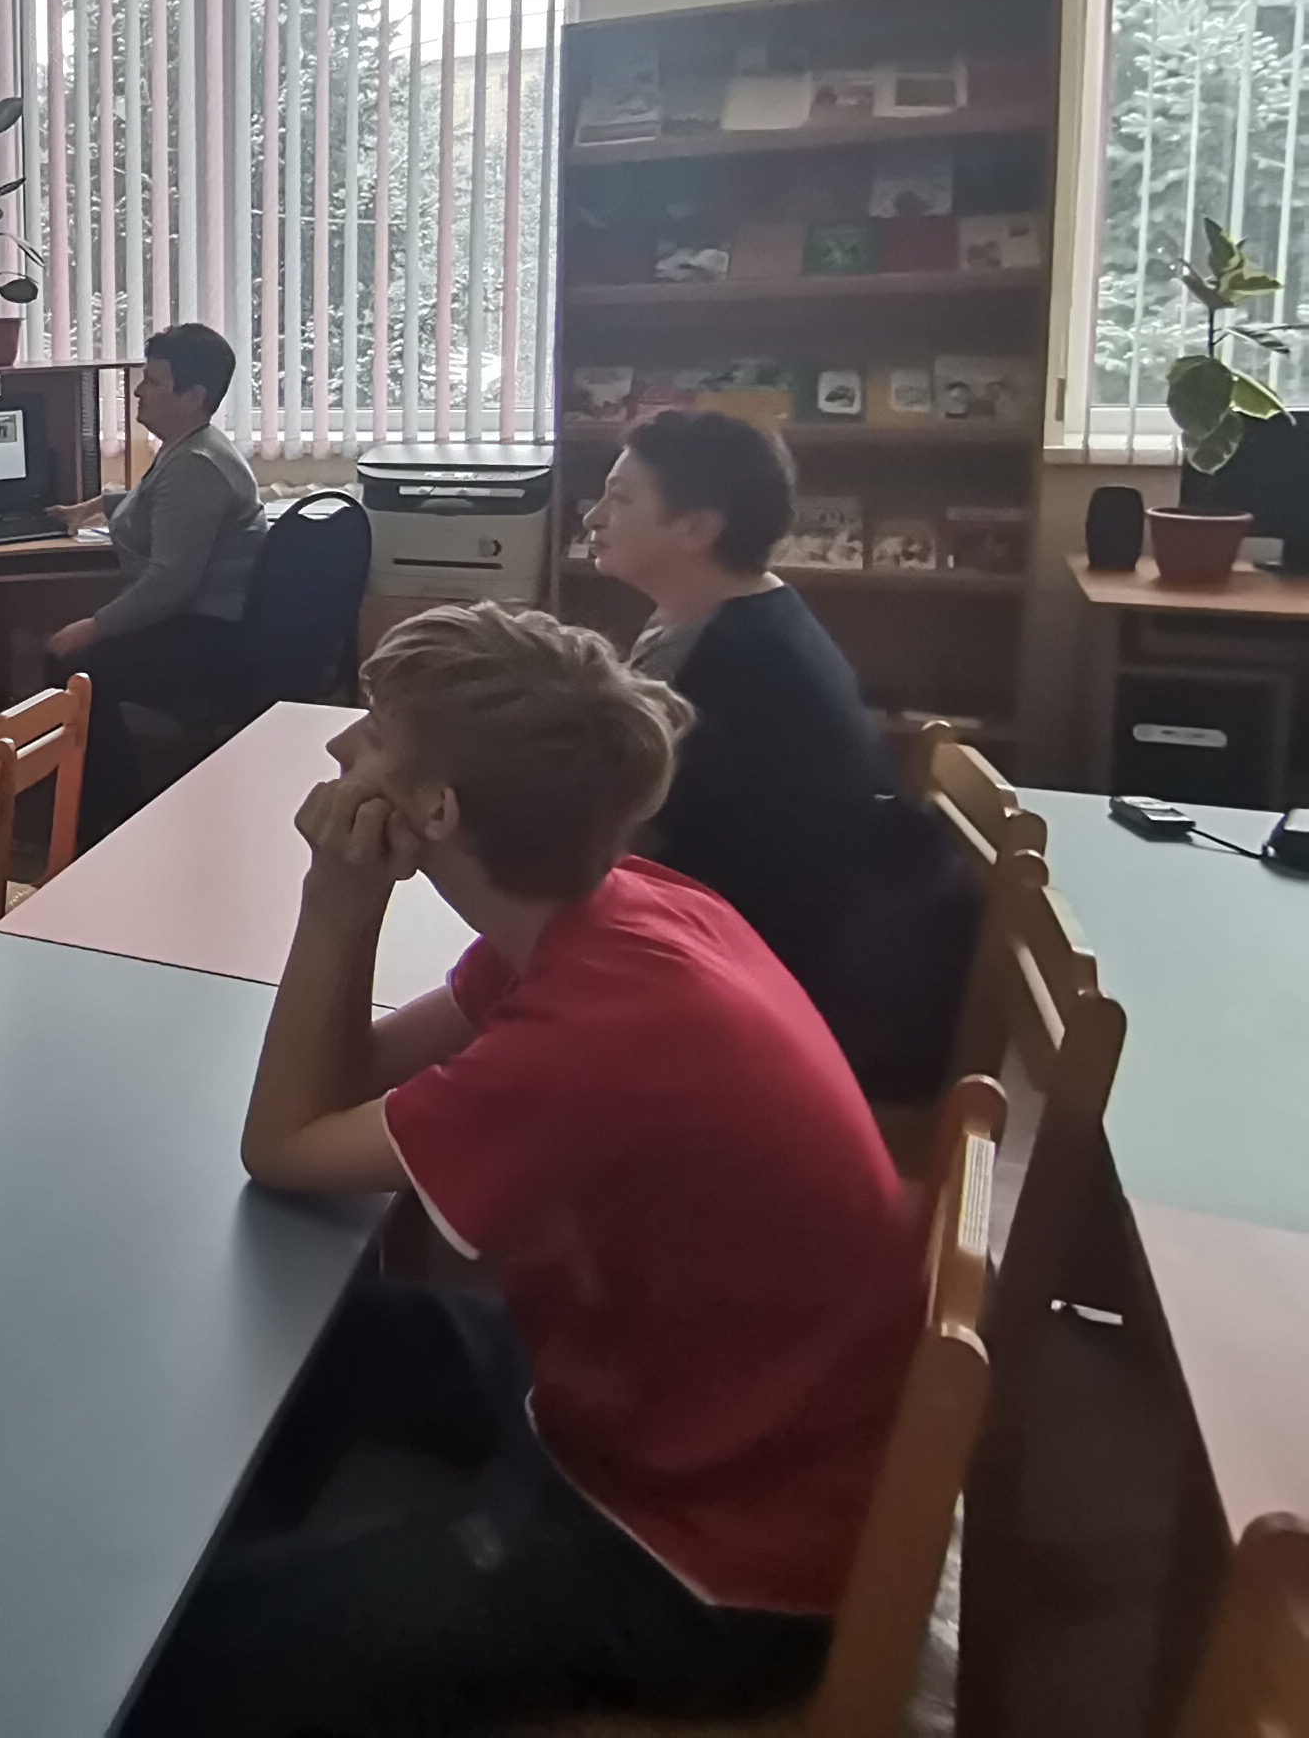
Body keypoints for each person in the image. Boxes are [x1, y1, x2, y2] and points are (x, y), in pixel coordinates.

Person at [127, 603, 923, 1733]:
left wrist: (336, 900)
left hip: (704, 1558)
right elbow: (348, 1083)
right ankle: (266, 1567)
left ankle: (254, 1613)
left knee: (178, 1663)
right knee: (323, 1344)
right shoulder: (617, 909)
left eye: (374, 735)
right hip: (670, 1399)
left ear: (436, 810)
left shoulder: (597, 1034)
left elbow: (286, 1149)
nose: (340, 748)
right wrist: (352, 908)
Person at [585, 408, 977, 1098]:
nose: (593, 517)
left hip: (781, 996)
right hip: (784, 945)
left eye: (620, 498)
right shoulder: (742, 612)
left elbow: (616, 833)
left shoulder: (736, 661)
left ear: (696, 529)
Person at [43, 322, 270, 847]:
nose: (139, 392)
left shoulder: (197, 465)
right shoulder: (190, 449)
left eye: (154, 382)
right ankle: (99, 810)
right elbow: (155, 504)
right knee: (78, 664)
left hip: (209, 640)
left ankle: (110, 822)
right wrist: (93, 506)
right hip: (203, 626)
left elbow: (171, 581)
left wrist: (94, 626)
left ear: (193, 396)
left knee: (75, 667)